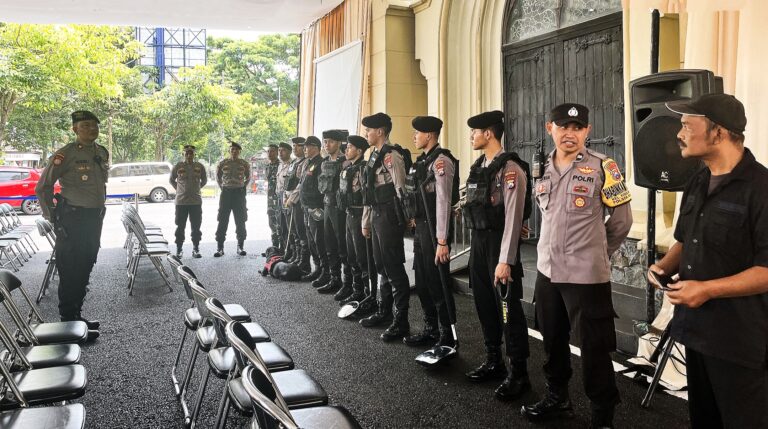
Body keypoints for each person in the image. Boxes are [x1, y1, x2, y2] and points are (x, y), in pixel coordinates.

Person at [649, 94, 768, 428]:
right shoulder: (698, 180)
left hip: (740, 343)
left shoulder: (761, 189)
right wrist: (664, 267)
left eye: (688, 125)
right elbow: (686, 239)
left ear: (718, 133)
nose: (679, 133)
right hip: (697, 333)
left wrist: (707, 290)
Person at [522, 103, 632, 428]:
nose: (570, 133)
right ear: (550, 129)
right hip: (547, 272)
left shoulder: (603, 167)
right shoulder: (540, 168)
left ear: (587, 131)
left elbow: (622, 221)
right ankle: (558, 399)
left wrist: (598, 252)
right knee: (552, 340)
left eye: (577, 128)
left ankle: (602, 416)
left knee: (594, 350)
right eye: (563, 127)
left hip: (587, 276)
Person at [460, 111, 531, 401]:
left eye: (475, 131)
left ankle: (519, 374)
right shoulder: (480, 166)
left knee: (508, 312)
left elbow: (513, 219)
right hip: (479, 242)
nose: (471, 136)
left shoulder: (510, 168)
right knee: (484, 304)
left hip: (500, 246)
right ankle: (494, 360)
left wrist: (505, 260)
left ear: (488, 134)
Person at [35, 110, 108, 333]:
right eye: (85, 126)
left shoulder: (101, 152)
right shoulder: (65, 154)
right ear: (75, 129)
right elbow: (43, 187)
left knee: (86, 264)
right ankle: (67, 321)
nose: (91, 129)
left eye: (94, 125)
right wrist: (52, 216)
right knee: (70, 269)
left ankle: (76, 316)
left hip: (94, 218)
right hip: (73, 219)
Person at [402, 116, 458, 348]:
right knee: (423, 281)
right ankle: (431, 328)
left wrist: (442, 240)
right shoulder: (422, 161)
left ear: (430, 135)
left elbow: (444, 202)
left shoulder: (441, 161)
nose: (414, 136)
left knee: (438, 283)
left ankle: (447, 334)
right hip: (422, 228)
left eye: (418, 133)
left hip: (436, 229)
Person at [359, 112, 412, 341]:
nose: (366, 134)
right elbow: (370, 192)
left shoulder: (392, 156)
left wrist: (407, 219)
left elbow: (401, 190)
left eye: (369, 130)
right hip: (378, 214)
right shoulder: (374, 156)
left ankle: (401, 321)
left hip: (391, 216)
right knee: (381, 265)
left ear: (380, 131)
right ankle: (385, 312)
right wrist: (367, 221)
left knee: (393, 268)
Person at [337, 135, 372, 305]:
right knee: (351, 256)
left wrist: (366, 222)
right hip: (349, 215)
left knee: (362, 258)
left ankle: (368, 294)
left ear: (359, 151)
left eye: (349, 147)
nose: (346, 150)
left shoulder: (364, 169)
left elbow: (367, 198)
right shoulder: (348, 168)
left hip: (360, 216)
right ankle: (356, 290)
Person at [317, 129, 351, 297]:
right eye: (325, 142)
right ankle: (334, 278)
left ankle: (347, 283)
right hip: (327, 206)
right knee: (329, 244)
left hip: (340, 209)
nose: (326, 145)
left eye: (330, 141)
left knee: (342, 246)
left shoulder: (345, 162)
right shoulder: (324, 163)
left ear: (338, 143)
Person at [300, 136, 331, 287]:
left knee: (319, 240)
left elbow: (321, 188)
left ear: (315, 147)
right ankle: (317, 267)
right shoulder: (309, 163)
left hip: (316, 208)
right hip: (307, 208)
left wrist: (314, 205)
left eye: (307, 146)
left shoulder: (321, 163)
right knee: (311, 239)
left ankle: (325, 271)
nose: (304, 149)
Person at [214, 140, 251, 257]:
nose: (234, 151)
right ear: (229, 151)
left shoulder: (244, 164)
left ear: (239, 151)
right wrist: (223, 187)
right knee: (222, 220)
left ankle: (240, 246)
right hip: (226, 194)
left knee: (240, 220)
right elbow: (218, 177)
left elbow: (248, 178)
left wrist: (241, 187)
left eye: (236, 150)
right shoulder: (222, 163)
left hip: (239, 194)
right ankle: (220, 247)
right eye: (232, 149)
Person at [169, 145, 207, 259]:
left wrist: (197, 188)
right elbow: (171, 179)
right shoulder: (178, 166)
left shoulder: (199, 166)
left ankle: (196, 249)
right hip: (181, 202)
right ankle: (179, 249)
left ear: (194, 154)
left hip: (195, 201)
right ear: (183, 155)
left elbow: (204, 180)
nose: (189, 155)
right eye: (187, 153)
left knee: (196, 227)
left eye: (191, 153)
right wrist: (179, 189)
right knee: (180, 227)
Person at [284, 137, 312, 273]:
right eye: (293, 146)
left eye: (298, 146)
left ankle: (304, 262)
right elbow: (288, 182)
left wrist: (291, 198)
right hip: (290, 199)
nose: (295, 148)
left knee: (301, 231)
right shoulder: (294, 162)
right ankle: (296, 256)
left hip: (298, 201)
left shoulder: (306, 163)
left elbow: (301, 185)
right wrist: (286, 196)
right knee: (293, 230)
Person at [275, 142, 293, 254]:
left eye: (283, 150)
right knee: (280, 224)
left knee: (288, 225)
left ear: (289, 152)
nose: (280, 153)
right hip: (279, 196)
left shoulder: (292, 165)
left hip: (287, 196)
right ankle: (282, 248)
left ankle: (289, 251)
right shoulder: (280, 165)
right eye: (279, 150)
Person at [265, 144, 281, 249]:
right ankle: (274, 247)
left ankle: (283, 247)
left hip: (279, 197)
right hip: (270, 197)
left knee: (279, 222)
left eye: (272, 151)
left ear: (277, 152)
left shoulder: (280, 165)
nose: (270, 154)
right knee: (271, 222)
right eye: (268, 151)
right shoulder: (268, 166)